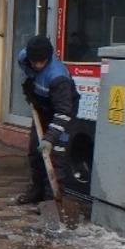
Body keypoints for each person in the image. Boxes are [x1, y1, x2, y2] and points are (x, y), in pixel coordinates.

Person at [15, 35, 77, 204]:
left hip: (62, 115)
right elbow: (27, 72)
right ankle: (36, 191)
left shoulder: (58, 77)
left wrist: (50, 138)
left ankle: (52, 201)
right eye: (34, 61)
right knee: (35, 153)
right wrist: (30, 89)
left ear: (48, 57)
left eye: (41, 62)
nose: (37, 65)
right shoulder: (24, 57)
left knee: (55, 157)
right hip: (42, 110)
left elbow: (64, 112)